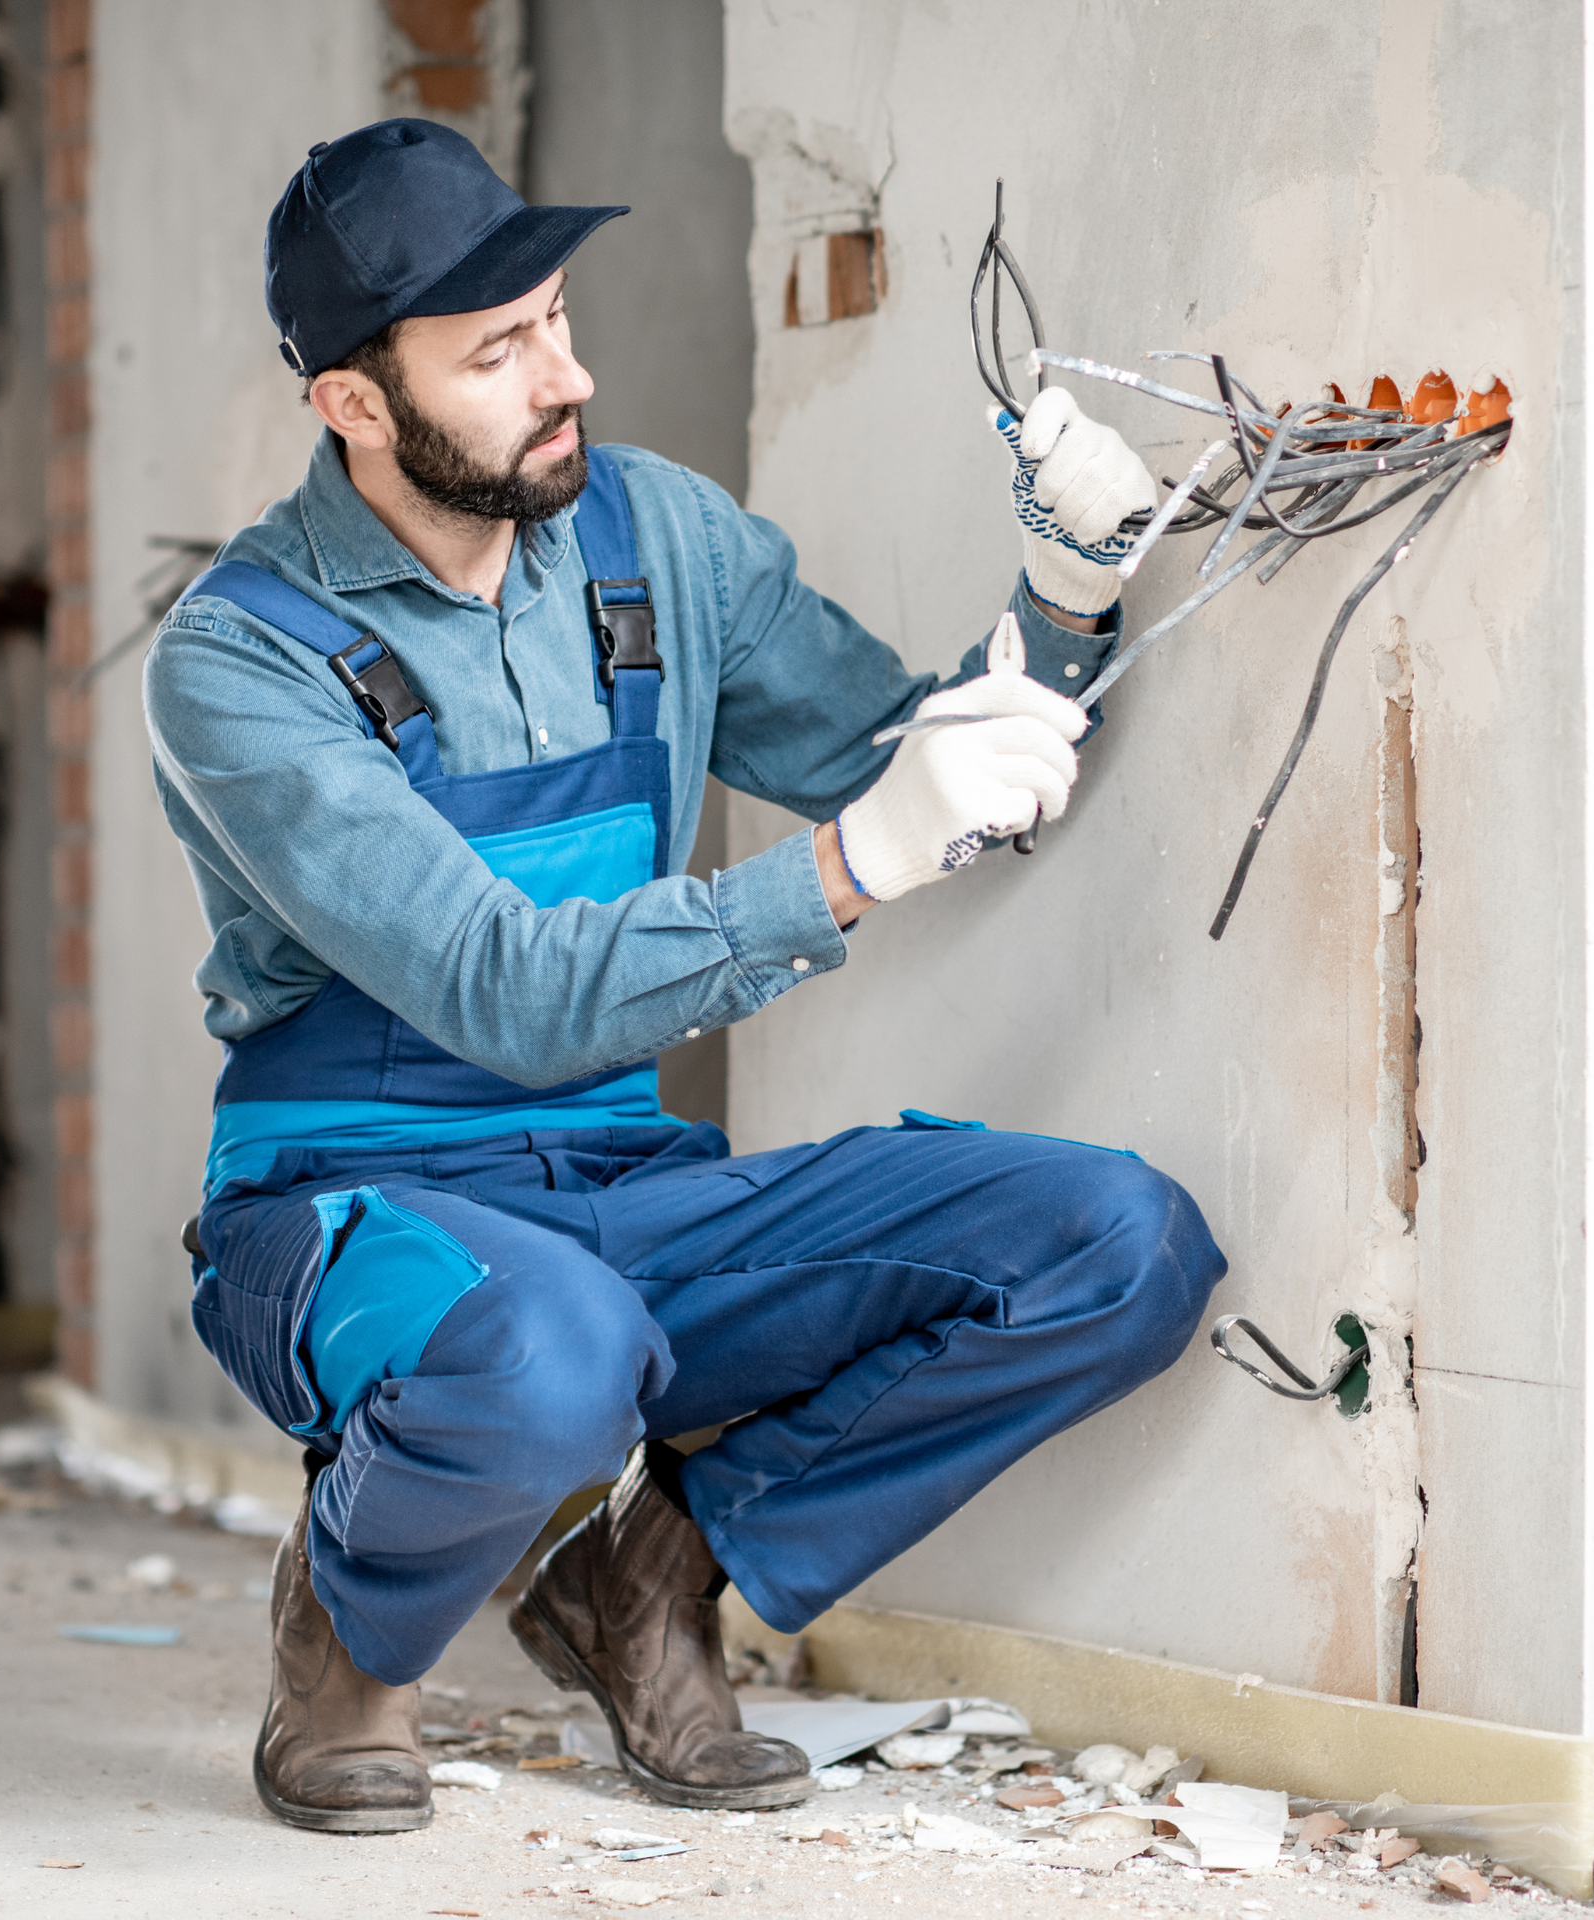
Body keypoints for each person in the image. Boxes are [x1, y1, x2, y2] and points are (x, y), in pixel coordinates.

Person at [145, 119, 1226, 1836]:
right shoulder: (238, 661)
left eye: (559, 317)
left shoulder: (663, 540)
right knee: (552, 1357)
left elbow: (894, 752)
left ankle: (646, 1580)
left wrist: (1067, 594)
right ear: (354, 401)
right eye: (497, 351)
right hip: (352, 1211)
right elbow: (500, 985)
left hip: (623, 1194)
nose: (564, 375)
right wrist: (855, 860)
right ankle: (345, 1643)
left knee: (1117, 1241)